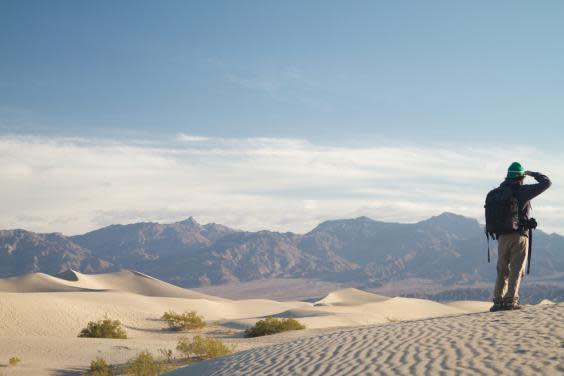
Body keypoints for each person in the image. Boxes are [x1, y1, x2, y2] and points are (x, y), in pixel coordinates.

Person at [490, 162, 551, 312]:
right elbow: (547, 183)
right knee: (516, 269)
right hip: (519, 236)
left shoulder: (497, 192)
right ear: (520, 177)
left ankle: (498, 301)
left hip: (502, 237)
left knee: (502, 269)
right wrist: (532, 174)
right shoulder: (522, 191)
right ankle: (510, 300)